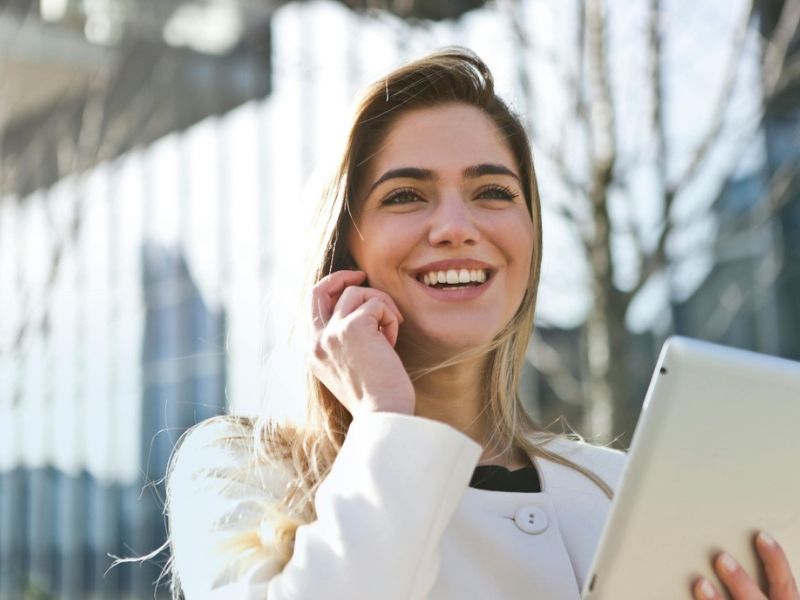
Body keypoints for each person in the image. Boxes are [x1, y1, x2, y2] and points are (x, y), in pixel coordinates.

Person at [166, 48, 798, 599]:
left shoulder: (620, 492)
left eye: (493, 192)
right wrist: (387, 418)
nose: (456, 227)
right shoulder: (236, 472)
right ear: (345, 248)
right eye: (406, 195)